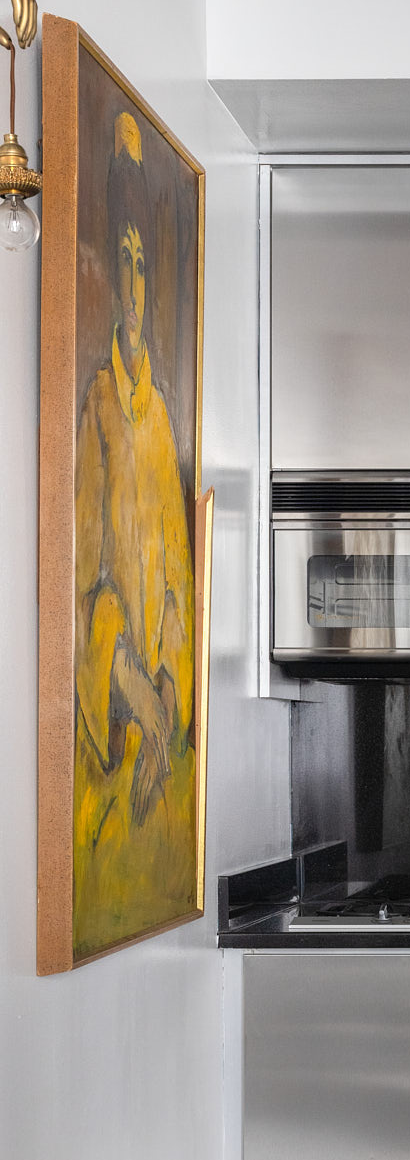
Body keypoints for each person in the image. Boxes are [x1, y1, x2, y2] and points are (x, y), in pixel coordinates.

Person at [72, 108, 195, 955]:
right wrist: (134, 691)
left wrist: (171, 681)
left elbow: (182, 586)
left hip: (162, 747)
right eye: (123, 258)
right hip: (114, 754)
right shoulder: (98, 412)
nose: (137, 279)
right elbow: (83, 589)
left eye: (146, 261)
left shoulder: (165, 425)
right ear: (111, 277)